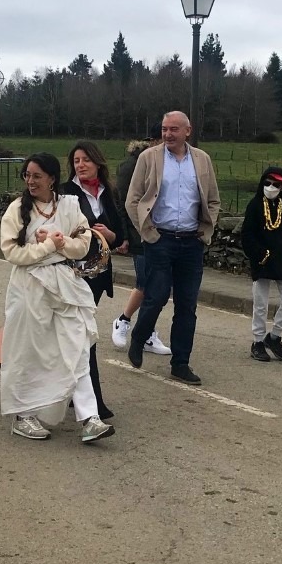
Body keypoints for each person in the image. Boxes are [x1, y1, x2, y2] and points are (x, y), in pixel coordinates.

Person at [0, 153, 114, 444]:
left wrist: (61, 245)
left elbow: (82, 246)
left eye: (37, 175)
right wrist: (49, 244)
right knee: (31, 350)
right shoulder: (16, 210)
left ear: (52, 178)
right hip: (30, 286)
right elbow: (13, 254)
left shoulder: (70, 206)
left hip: (65, 284)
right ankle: (24, 415)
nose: (30, 180)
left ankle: (90, 418)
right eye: (27, 175)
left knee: (76, 347)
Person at [123, 111, 221, 385]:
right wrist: (148, 232)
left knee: (187, 305)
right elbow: (132, 200)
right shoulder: (148, 158)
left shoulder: (202, 160)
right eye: (165, 129)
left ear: (187, 131)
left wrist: (205, 231)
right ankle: (139, 337)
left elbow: (213, 200)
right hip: (160, 239)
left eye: (174, 129)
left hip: (191, 242)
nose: (167, 134)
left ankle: (180, 363)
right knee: (155, 296)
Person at [60, 141, 125, 420]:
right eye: (76, 160)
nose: (80, 165)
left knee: (79, 335)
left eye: (86, 159)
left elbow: (122, 233)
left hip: (97, 275)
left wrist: (111, 236)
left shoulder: (108, 192)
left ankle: (74, 391)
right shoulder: (65, 193)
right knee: (85, 334)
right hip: (72, 274)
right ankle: (93, 401)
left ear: (98, 162)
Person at [110, 138, 172, 357]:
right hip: (140, 234)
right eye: (162, 137)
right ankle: (124, 321)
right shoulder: (133, 165)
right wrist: (124, 237)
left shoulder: (166, 161)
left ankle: (145, 332)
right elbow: (124, 203)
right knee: (146, 284)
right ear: (153, 140)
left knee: (157, 288)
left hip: (162, 234)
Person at [240, 166, 282, 362]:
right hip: (262, 260)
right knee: (261, 304)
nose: (271, 187)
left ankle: (274, 337)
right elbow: (247, 235)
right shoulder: (255, 205)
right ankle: (257, 341)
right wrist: (259, 254)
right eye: (268, 183)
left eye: (276, 184)